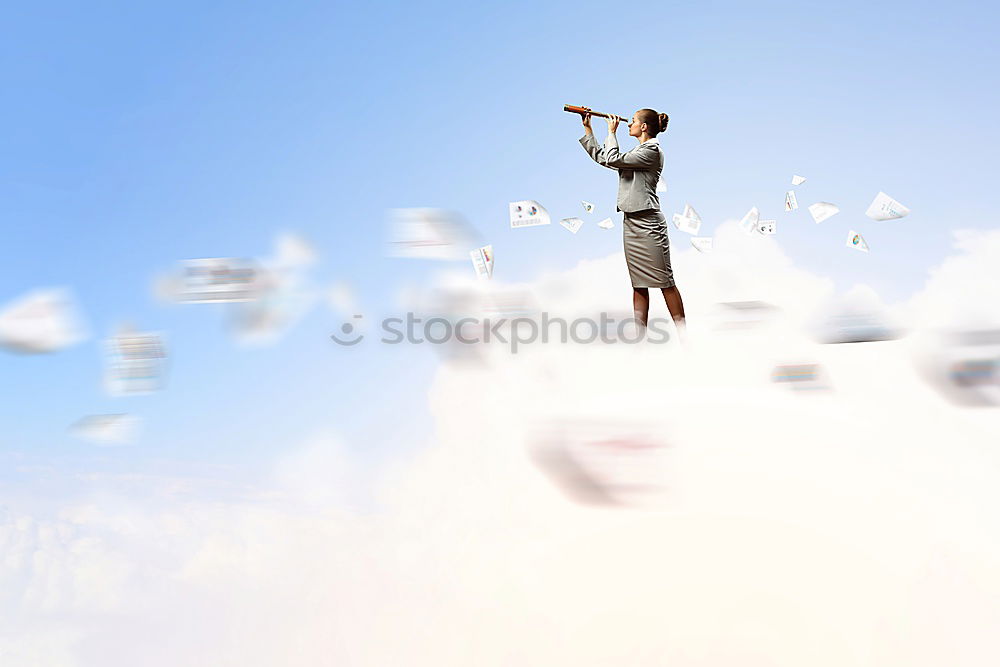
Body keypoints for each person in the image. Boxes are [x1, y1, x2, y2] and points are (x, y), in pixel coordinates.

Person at [579, 108, 686, 338]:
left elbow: (612, 157)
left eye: (634, 121)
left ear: (644, 127)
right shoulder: (637, 150)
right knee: (638, 284)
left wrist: (611, 132)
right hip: (631, 223)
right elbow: (604, 158)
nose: (629, 124)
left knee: (665, 282)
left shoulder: (652, 151)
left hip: (649, 224)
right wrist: (588, 129)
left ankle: (684, 336)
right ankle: (640, 340)